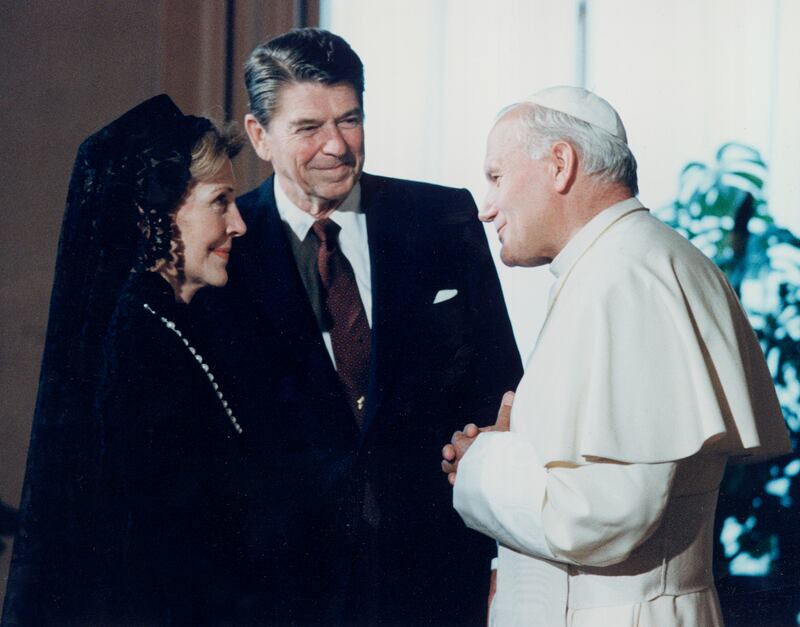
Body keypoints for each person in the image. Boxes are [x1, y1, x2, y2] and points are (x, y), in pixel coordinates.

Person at [194, 28, 523, 626]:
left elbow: (501, 388)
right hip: (281, 590)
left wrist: (510, 557)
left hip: (437, 577)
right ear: (259, 136)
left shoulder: (442, 218)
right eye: (308, 127)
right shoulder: (225, 250)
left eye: (350, 120)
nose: (337, 146)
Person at [441, 86, 791, 626]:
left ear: (560, 164)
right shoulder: (635, 260)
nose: (487, 209)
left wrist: (481, 464)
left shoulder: (622, 276)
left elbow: (604, 515)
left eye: (496, 177)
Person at [2, 95, 254, 625]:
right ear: (153, 214)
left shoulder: (179, 326)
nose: (238, 224)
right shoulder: (135, 345)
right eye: (220, 202)